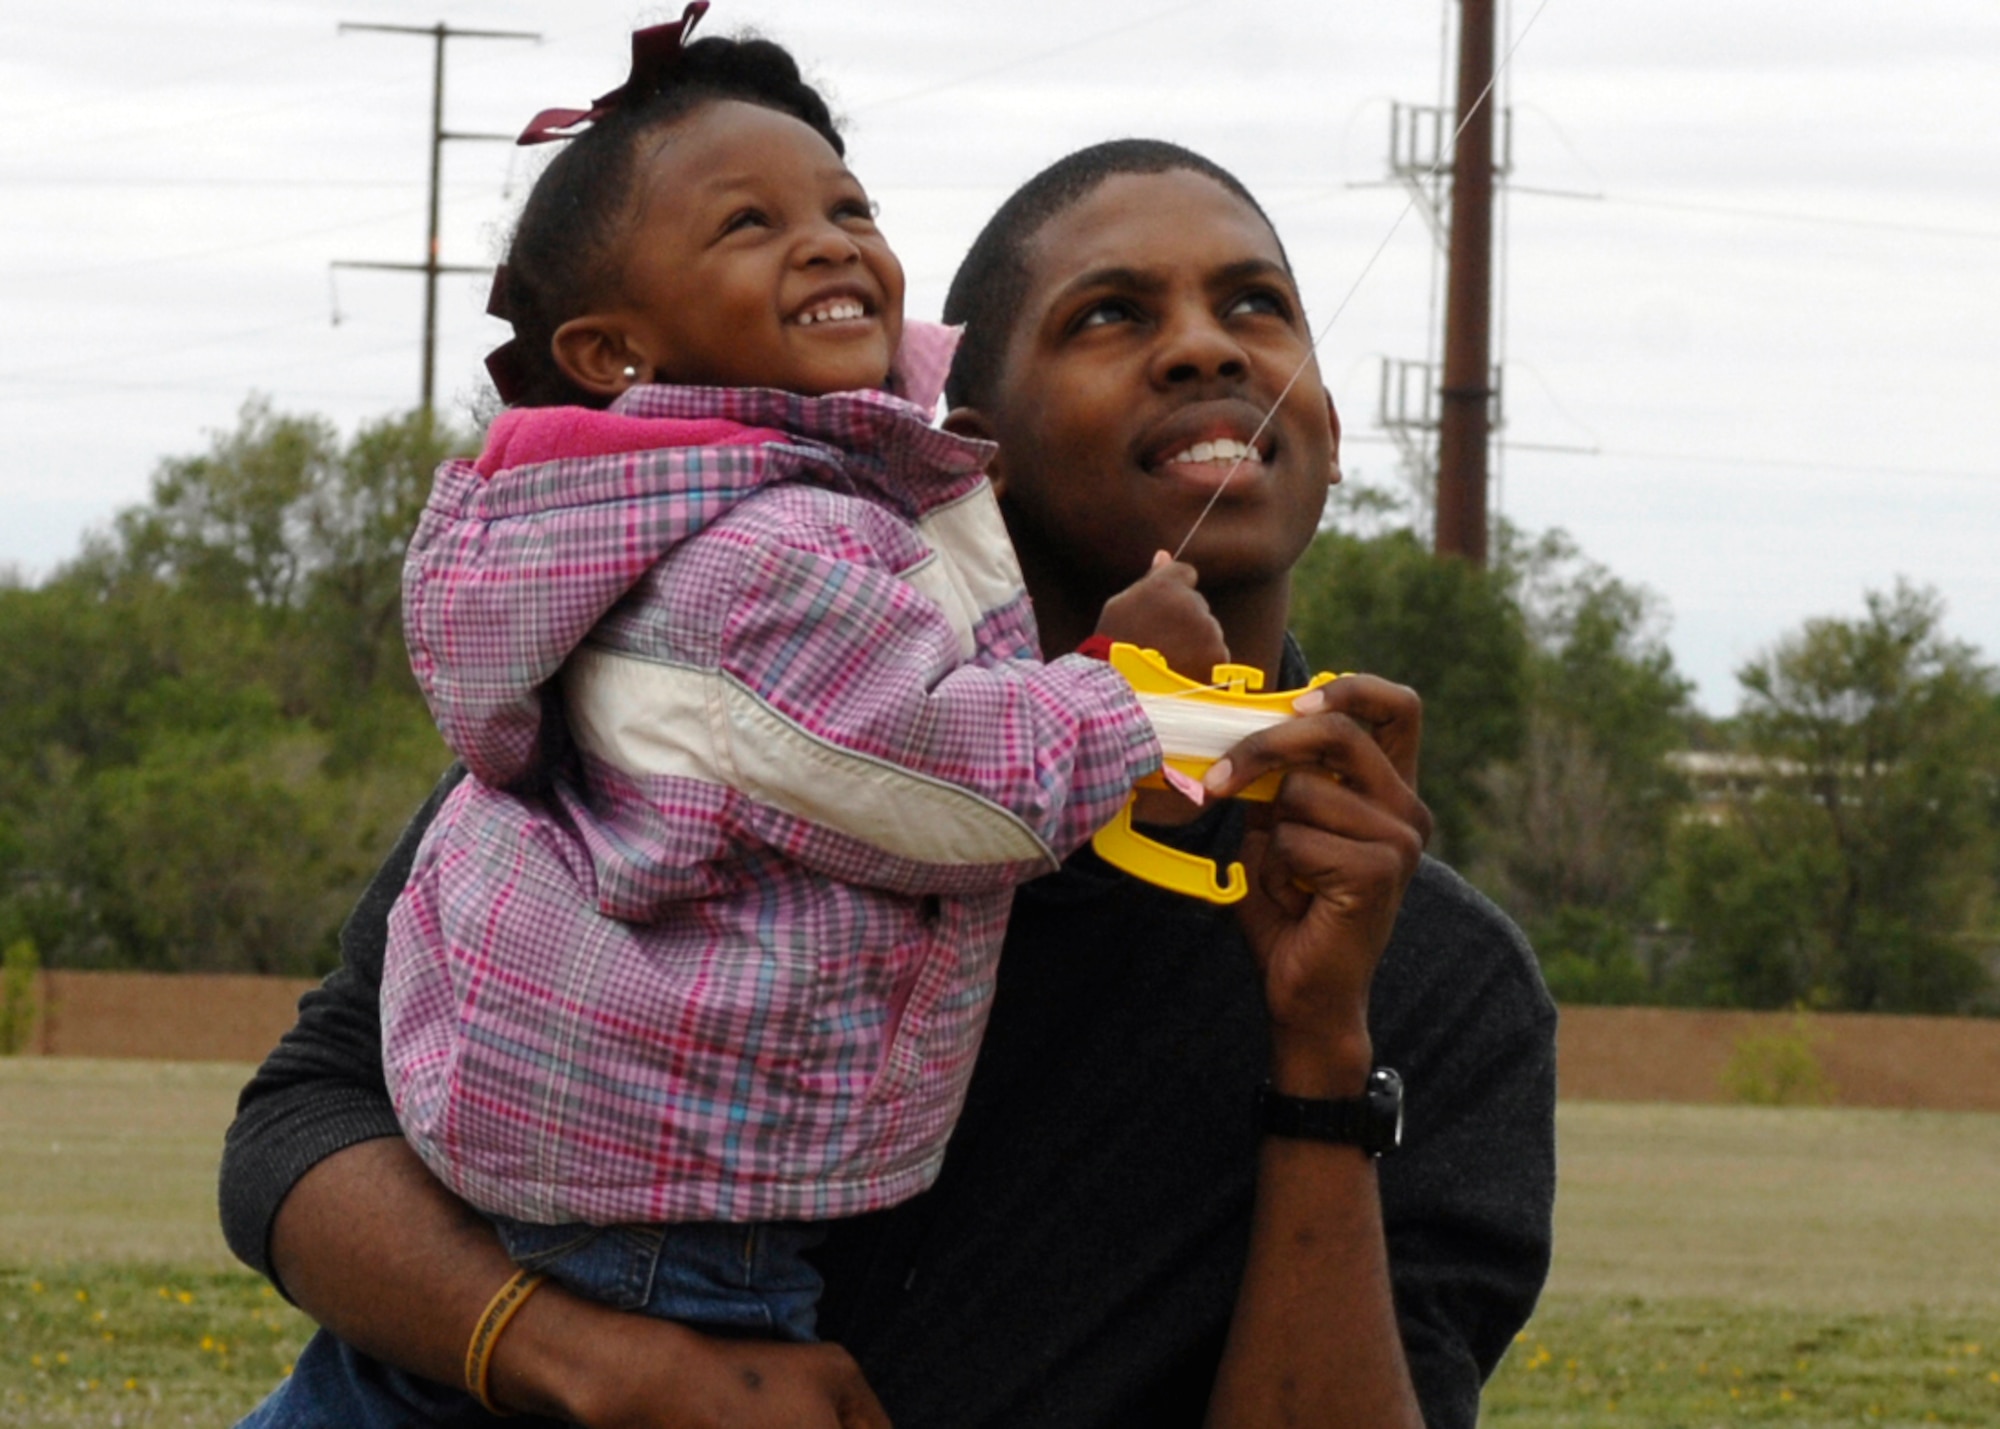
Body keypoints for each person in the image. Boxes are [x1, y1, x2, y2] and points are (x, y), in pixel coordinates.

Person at [220, 125, 1557, 1429]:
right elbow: (299, 1123)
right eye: (1107, 315)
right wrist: (591, 1358)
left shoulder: (1440, 977)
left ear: (1318, 414)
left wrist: (1322, 1045)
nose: (1208, 346)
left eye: (1257, 305)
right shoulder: (683, 721)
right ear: (970, 442)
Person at [274, 13, 1235, 1423]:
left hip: (564, 1159)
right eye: (749, 223)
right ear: (611, 350)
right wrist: (1123, 689)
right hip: (679, 1214)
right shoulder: (769, 550)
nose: (831, 239)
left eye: (851, 208)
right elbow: (934, 782)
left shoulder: (691, 517)